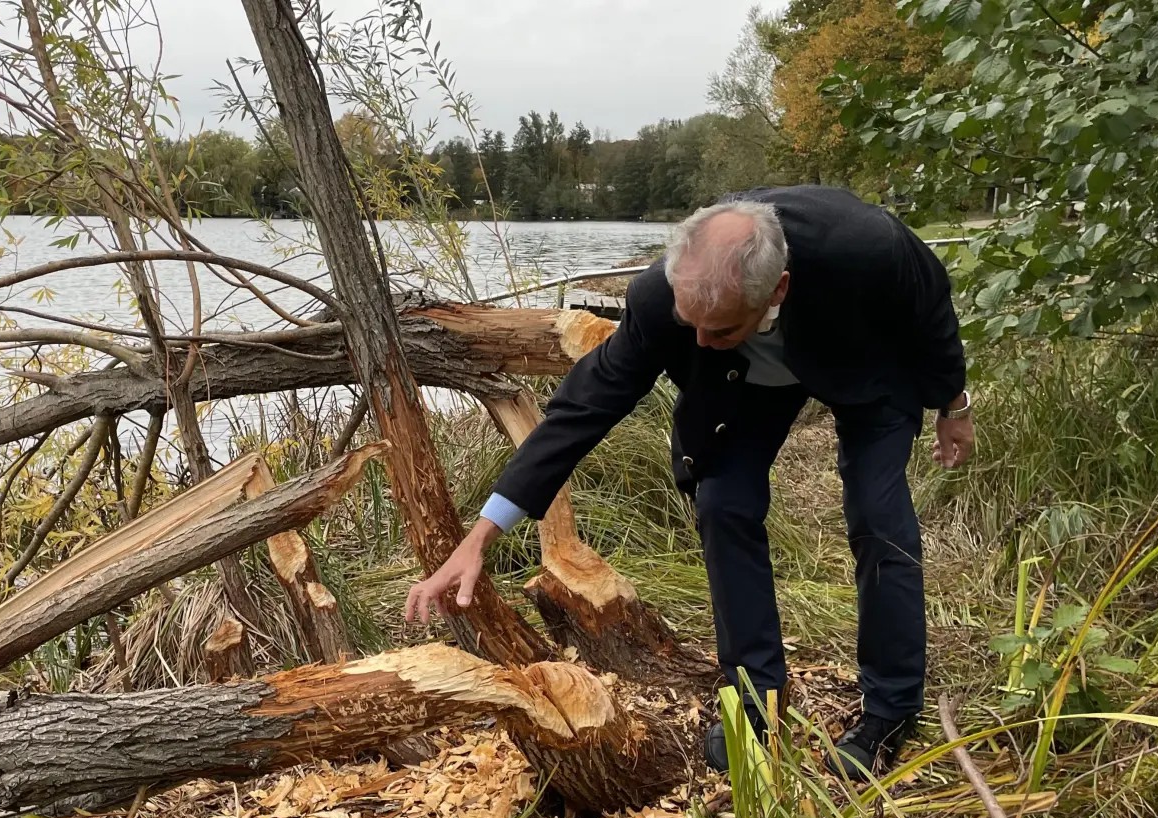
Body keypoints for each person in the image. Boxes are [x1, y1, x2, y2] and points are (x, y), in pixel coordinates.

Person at [405, 185, 974, 780]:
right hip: (748, 382)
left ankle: (891, 711)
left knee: (878, 517)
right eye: (690, 325)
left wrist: (953, 403)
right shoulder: (661, 297)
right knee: (724, 503)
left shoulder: (865, 248)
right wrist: (480, 536)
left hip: (864, 364)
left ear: (776, 289)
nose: (697, 342)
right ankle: (755, 703)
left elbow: (930, 309)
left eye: (720, 327)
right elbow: (582, 409)